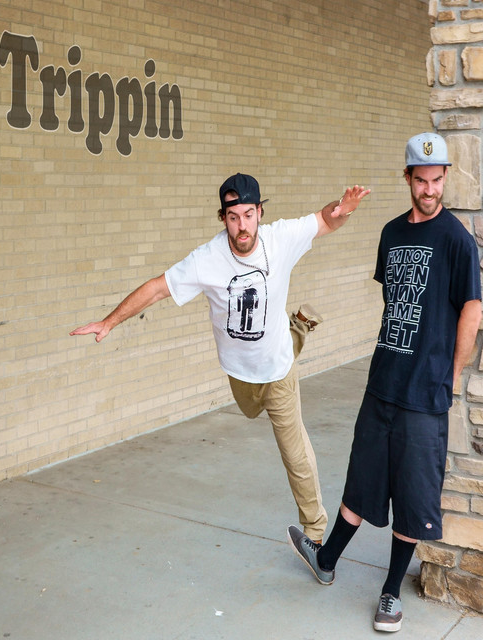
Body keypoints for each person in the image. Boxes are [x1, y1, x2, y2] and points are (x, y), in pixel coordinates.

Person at [71, 173, 370, 544]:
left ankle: (316, 532)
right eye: (233, 217)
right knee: (254, 402)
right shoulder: (207, 259)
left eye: (248, 215)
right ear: (223, 218)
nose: (242, 226)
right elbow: (157, 289)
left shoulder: (281, 238)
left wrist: (343, 210)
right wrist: (109, 322)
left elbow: (325, 219)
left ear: (259, 213)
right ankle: (299, 325)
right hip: (239, 373)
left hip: (278, 369)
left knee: (294, 451)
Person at [287, 132, 482, 633]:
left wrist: (451, 376)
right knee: (363, 479)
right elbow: (395, 302)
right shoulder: (392, 233)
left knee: (413, 497)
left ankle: (391, 593)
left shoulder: (457, 240)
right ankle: (326, 559)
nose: (430, 190)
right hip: (382, 384)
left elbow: (472, 310)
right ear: (408, 179)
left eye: (437, 180)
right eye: (421, 181)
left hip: (424, 394)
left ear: (445, 178)